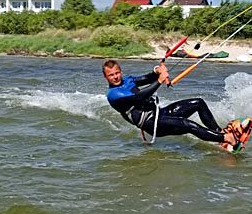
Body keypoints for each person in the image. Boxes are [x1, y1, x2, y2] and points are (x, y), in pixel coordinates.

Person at [102, 59, 239, 150]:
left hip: (159, 113)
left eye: (117, 73)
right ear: (106, 77)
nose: (115, 77)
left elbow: (147, 78)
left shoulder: (127, 80)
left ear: (121, 72)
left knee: (198, 103)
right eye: (111, 75)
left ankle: (219, 133)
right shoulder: (114, 95)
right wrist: (160, 81)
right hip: (151, 123)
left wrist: (156, 71)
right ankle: (227, 138)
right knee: (187, 124)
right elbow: (139, 98)